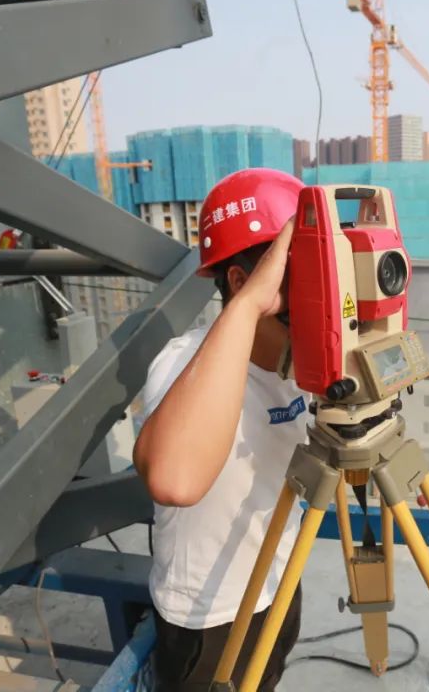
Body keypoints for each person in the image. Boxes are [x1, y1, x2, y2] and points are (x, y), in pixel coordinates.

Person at [133, 168, 307, 692]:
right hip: (210, 616)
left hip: (276, 585)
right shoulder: (184, 363)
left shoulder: (296, 363)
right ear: (239, 281)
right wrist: (255, 305)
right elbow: (175, 479)